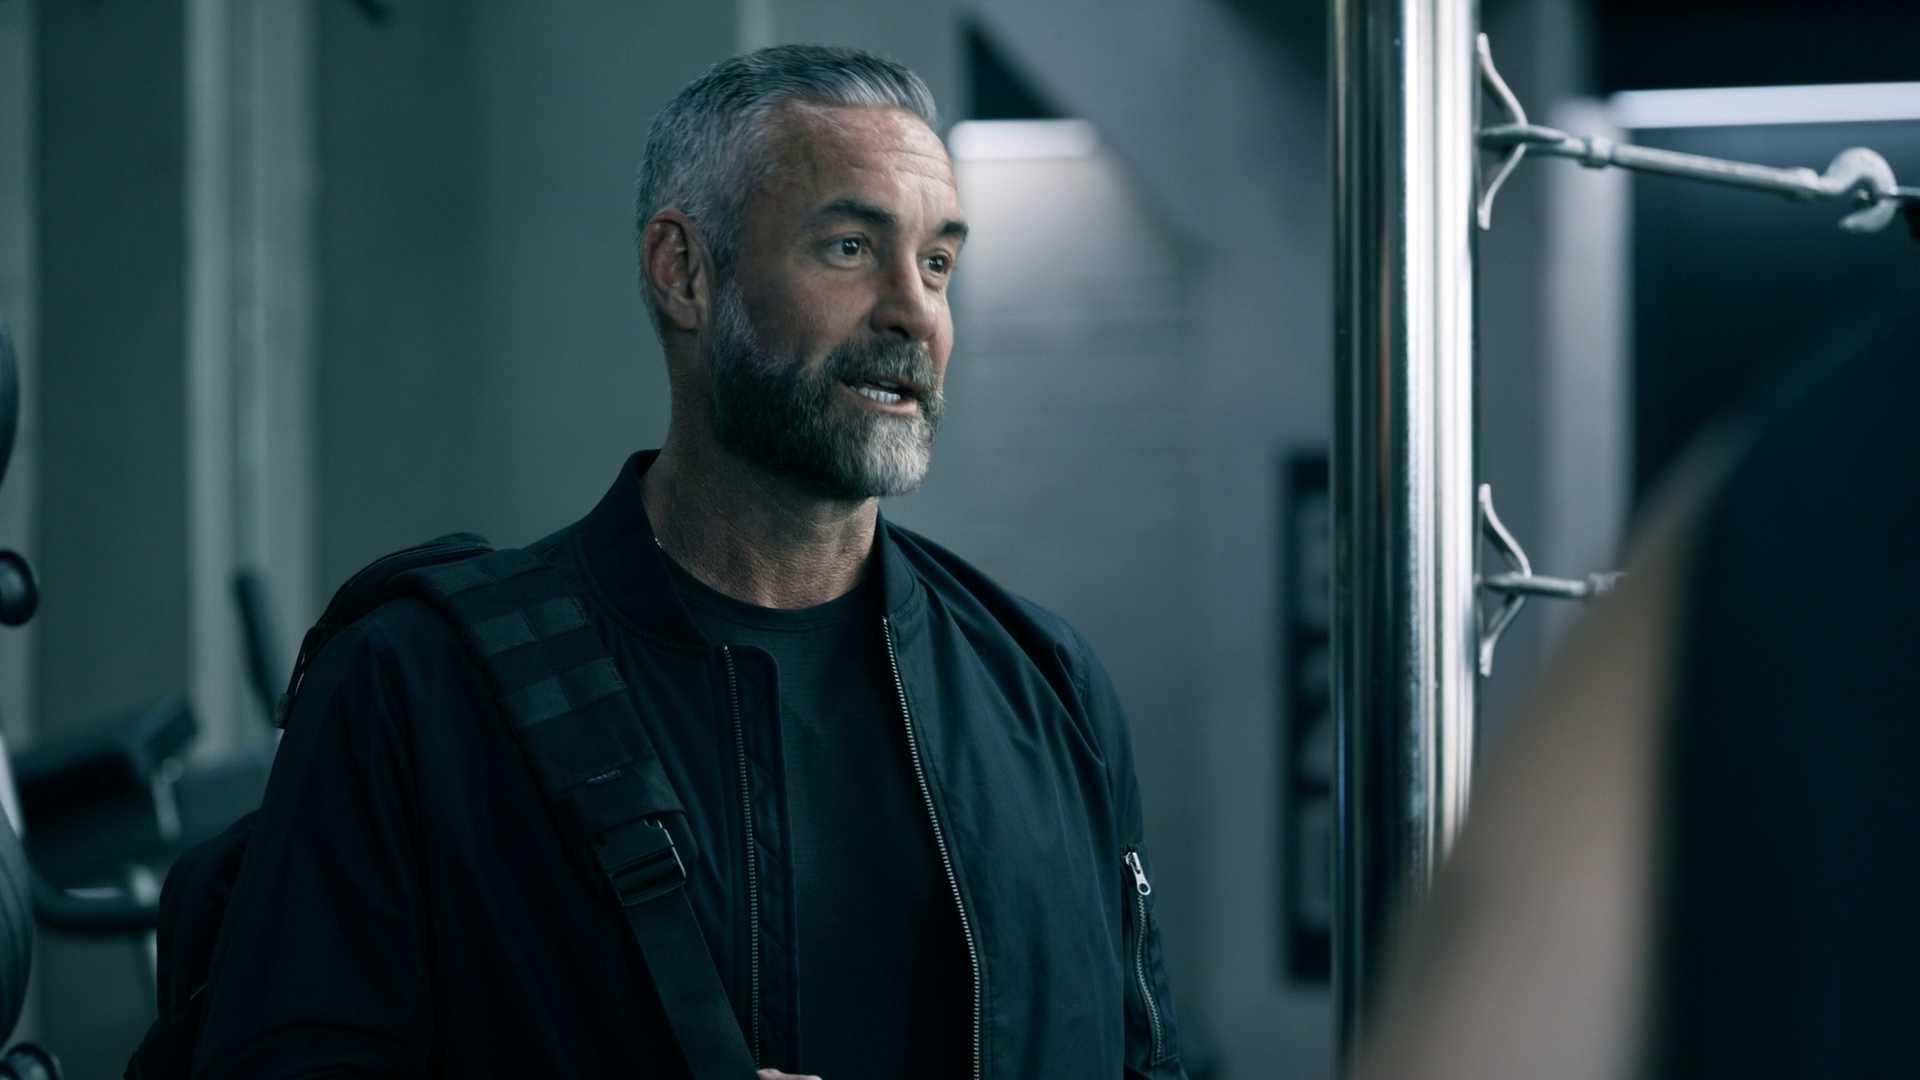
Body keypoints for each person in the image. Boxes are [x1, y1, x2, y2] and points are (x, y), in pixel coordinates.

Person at [191, 45, 1185, 1080]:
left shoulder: (1049, 689)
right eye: (850, 247)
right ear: (685, 272)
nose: (913, 312)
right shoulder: (416, 689)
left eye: (938, 264)